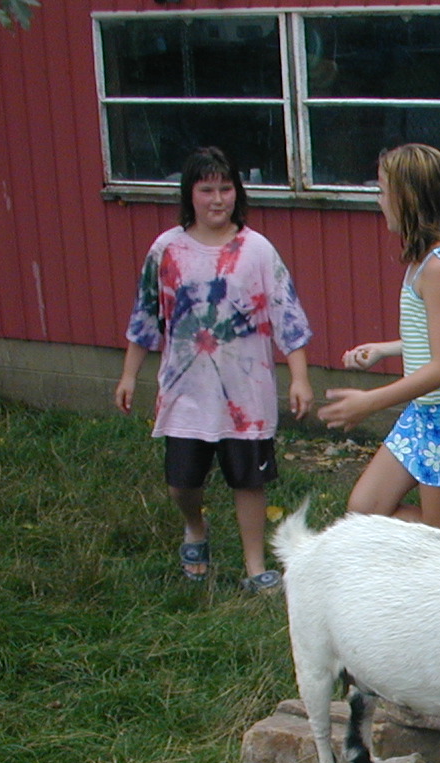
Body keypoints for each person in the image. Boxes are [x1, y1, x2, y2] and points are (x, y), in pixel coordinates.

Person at [116, 146, 313, 592]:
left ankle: (254, 565)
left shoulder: (258, 250)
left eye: (226, 188)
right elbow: (146, 316)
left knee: (248, 482)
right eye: (207, 189)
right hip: (186, 390)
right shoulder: (166, 251)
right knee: (181, 483)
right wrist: (129, 374)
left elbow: (288, 315)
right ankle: (195, 529)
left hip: (248, 395)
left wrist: (299, 377)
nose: (217, 198)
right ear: (191, 195)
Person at [317, 143, 440, 534]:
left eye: (383, 191)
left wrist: (369, 402)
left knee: (438, 541)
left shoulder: (439, 266)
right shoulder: (425, 259)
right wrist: (386, 349)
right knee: (365, 512)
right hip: (425, 412)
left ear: (408, 198)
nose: (379, 201)